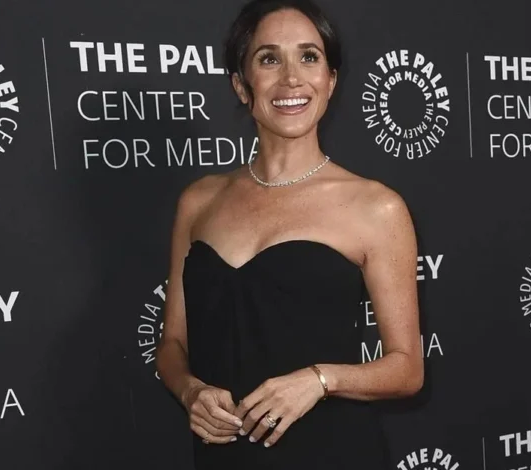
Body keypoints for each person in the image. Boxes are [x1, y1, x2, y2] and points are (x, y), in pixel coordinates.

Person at [156, 0, 424, 468]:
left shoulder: (376, 207)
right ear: (241, 85)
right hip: (224, 456)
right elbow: (172, 344)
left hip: (334, 453)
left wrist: (319, 380)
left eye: (309, 56)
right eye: (269, 59)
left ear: (331, 80)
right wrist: (190, 391)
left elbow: (407, 369)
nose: (292, 78)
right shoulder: (198, 202)